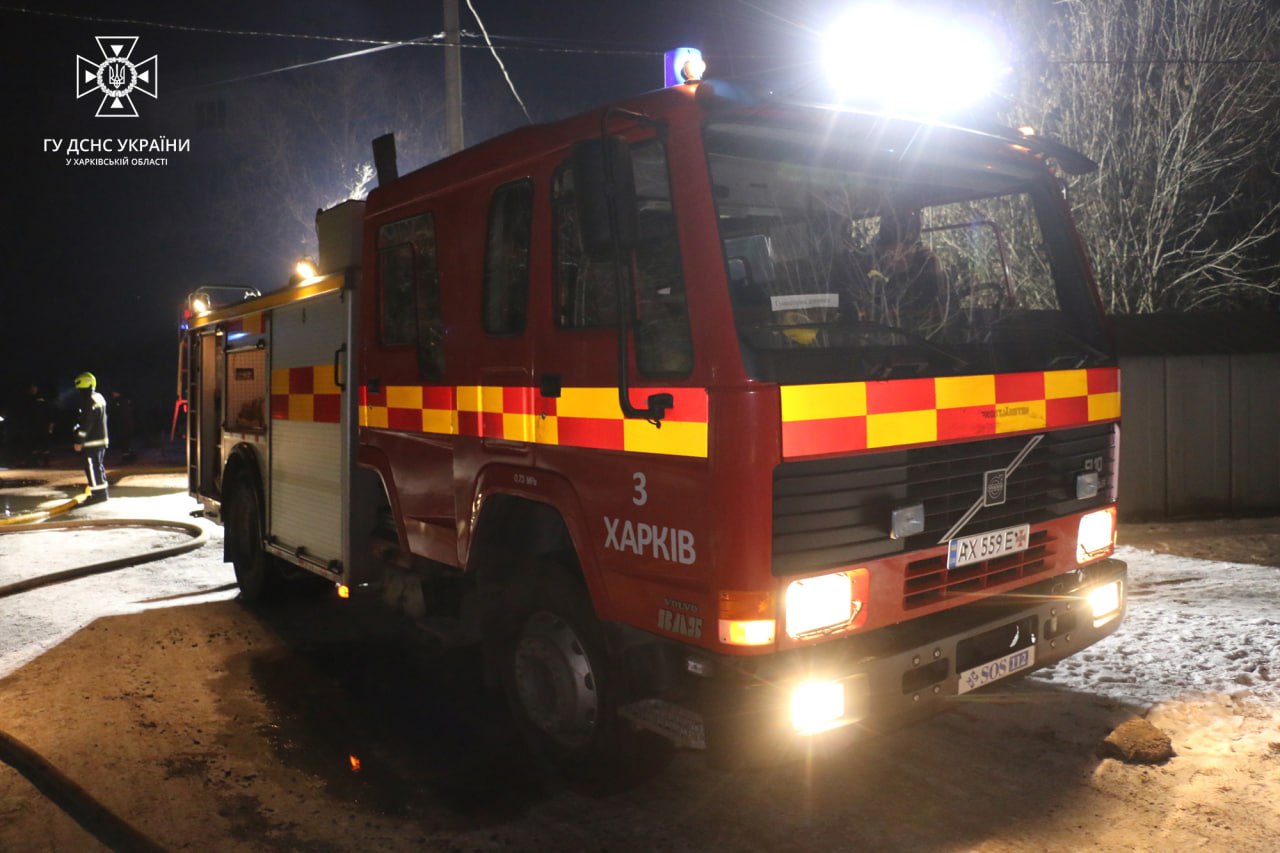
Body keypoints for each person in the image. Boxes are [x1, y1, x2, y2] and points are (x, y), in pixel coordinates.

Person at [72, 372, 110, 503]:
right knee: (98, 467)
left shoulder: (88, 400)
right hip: (101, 439)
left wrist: (78, 440)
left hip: (92, 441)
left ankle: (98, 495)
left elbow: (86, 423)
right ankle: (102, 492)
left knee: (92, 468)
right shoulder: (98, 397)